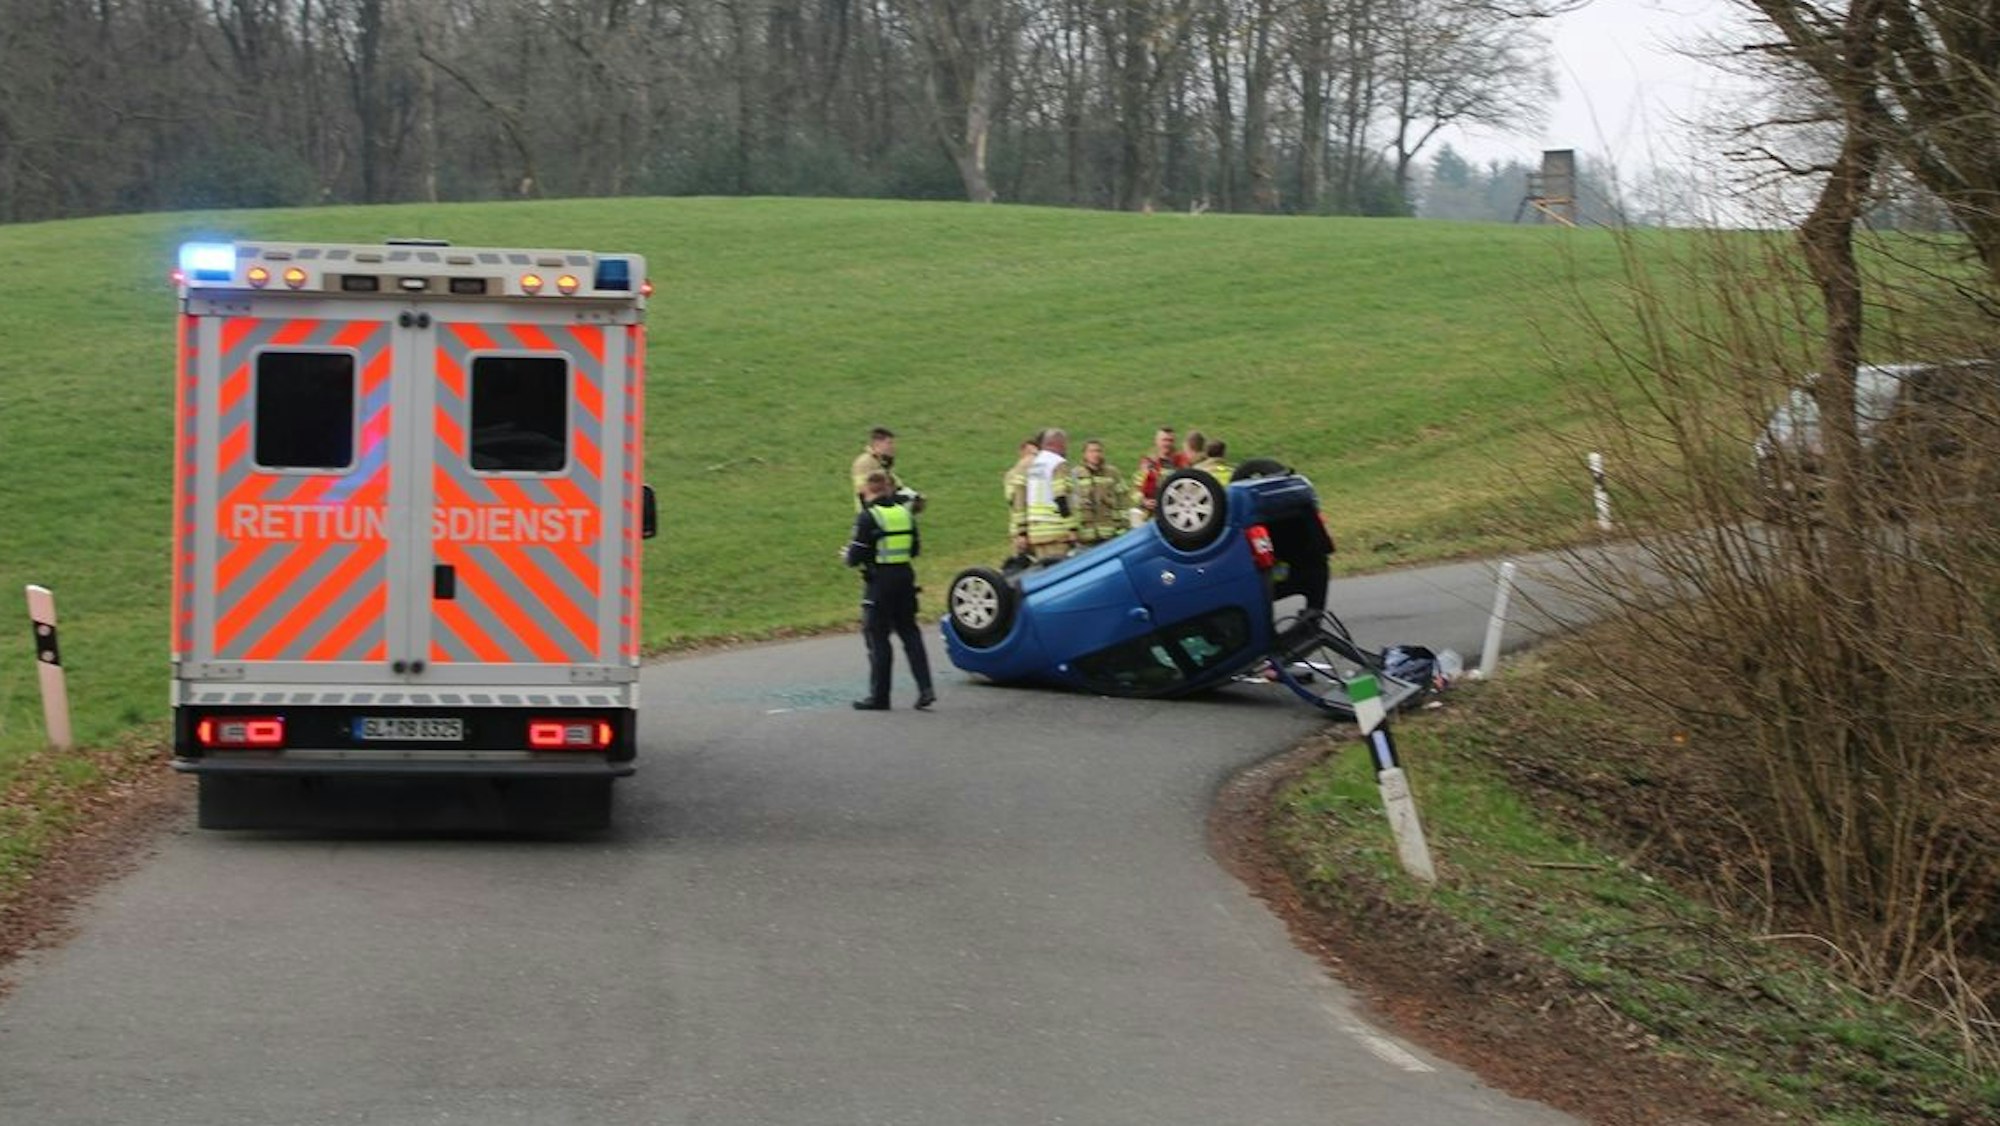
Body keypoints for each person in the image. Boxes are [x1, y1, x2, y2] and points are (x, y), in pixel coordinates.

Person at [843, 472, 936, 710]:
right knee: (910, 633)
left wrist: (848, 556)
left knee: (878, 637)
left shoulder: (868, 517)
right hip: (905, 576)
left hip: (880, 581)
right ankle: (926, 688)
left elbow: (855, 556)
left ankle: (880, 696)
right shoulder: (905, 513)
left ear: (868, 491)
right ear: (887, 489)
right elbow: (914, 549)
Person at [1023, 428, 1079, 561]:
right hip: (1056, 531)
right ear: (1057, 444)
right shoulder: (1058, 463)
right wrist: (1072, 527)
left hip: (1037, 532)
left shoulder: (1035, 465)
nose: (1066, 449)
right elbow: (1061, 497)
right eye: (1064, 444)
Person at [851, 426, 921, 512]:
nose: (893, 447)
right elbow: (863, 491)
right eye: (889, 443)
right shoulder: (864, 462)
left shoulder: (882, 462)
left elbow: (894, 485)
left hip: (885, 511)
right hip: (874, 513)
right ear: (877, 444)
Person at [1073, 439, 1128, 546]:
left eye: (1098, 451)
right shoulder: (1075, 474)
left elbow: (1123, 501)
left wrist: (1123, 528)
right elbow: (1071, 504)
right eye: (1091, 451)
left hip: (1110, 535)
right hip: (1085, 537)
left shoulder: (1113, 473)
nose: (1096, 454)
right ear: (1084, 454)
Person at [1132, 426, 1187, 521]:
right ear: (1156, 441)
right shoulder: (1147, 463)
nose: (1167, 444)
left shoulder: (1181, 463)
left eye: (1170, 440)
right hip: (1152, 517)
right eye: (1164, 440)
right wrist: (1144, 501)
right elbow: (1134, 491)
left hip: (1176, 516)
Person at [1004, 433, 1041, 565]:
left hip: (1035, 529)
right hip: (1024, 530)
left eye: (1035, 454)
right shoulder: (1014, 474)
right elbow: (1014, 500)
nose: (1032, 458)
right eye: (1030, 453)